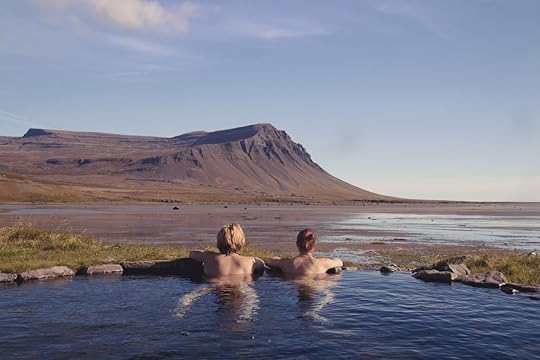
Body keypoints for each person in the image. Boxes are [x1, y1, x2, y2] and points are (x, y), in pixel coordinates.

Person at [189, 223, 265, 277]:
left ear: (219, 240)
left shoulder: (208, 256)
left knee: (188, 298)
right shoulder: (250, 261)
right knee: (251, 298)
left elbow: (192, 254)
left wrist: (205, 253)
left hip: (214, 284)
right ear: (242, 241)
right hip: (240, 285)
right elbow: (263, 264)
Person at [265, 229, 343, 275]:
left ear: (297, 244)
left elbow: (269, 260)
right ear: (314, 244)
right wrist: (318, 259)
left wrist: (279, 258)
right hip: (316, 286)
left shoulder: (286, 263)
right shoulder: (321, 263)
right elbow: (339, 262)